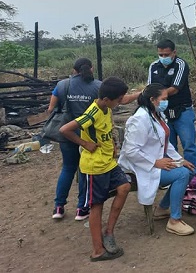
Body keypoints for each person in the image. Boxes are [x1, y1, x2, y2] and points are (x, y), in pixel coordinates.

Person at [60, 77, 132, 262]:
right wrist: (85, 143)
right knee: (96, 205)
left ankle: (108, 231)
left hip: (109, 162)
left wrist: (112, 144)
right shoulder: (92, 112)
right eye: (118, 100)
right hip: (95, 166)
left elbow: (105, 131)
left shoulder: (106, 107)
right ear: (107, 99)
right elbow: (65, 130)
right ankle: (98, 251)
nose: (119, 103)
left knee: (124, 187)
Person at [118, 84, 196, 236]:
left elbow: (165, 143)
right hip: (140, 166)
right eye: (164, 99)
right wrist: (154, 162)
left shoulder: (156, 114)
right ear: (152, 99)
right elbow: (130, 151)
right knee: (182, 174)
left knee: (190, 169)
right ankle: (174, 220)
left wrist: (180, 160)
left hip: (154, 161)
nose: (166, 102)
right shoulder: (140, 119)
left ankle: (162, 208)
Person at [48, 57, 101, 221]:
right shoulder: (98, 86)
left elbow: (51, 108)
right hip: (88, 135)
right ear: (91, 69)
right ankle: (81, 209)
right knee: (85, 171)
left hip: (66, 133)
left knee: (68, 168)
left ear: (74, 70)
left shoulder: (62, 85)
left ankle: (58, 207)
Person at [148, 39, 196, 170]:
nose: (163, 57)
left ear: (174, 52)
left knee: (189, 145)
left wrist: (157, 95)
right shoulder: (154, 66)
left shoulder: (180, 65)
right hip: (162, 112)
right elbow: (149, 88)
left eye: (166, 54)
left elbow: (175, 88)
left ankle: (194, 176)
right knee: (167, 146)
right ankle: (174, 175)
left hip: (182, 110)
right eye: (161, 55)